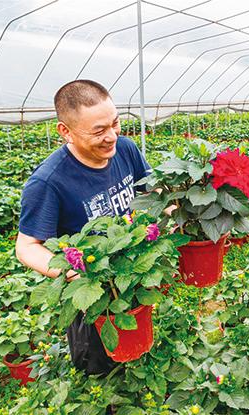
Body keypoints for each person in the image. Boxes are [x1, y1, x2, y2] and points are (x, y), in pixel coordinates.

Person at [15, 79, 150, 375]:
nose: (111, 136)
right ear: (65, 131)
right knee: (98, 362)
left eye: (114, 124)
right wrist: (72, 271)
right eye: (98, 131)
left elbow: (151, 195)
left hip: (132, 274)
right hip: (93, 291)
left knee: (140, 347)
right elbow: (26, 247)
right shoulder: (49, 182)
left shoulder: (126, 150)